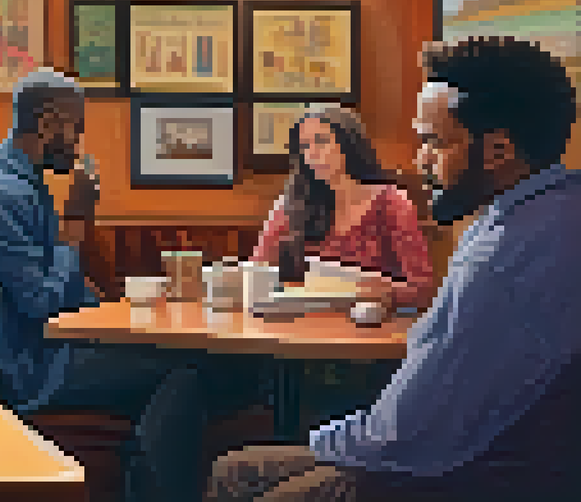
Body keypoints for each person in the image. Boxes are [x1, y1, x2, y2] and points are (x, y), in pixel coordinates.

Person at [209, 36, 581, 502]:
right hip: (498, 457)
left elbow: (404, 432)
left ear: (499, 151)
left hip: (474, 474)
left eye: (432, 142)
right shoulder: (556, 210)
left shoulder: (499, 257)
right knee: (239, 469)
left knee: (243, 478)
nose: (418, 159)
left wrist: (322, 443)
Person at [0, 69, 253, 502]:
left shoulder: (15, 183)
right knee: (184, 374)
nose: (78, 145)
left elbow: (62, 291)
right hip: (32, 367)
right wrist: (74, 226)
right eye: (78, 130)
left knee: (212, 368)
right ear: (49, 123)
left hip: (47, 348)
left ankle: (144, 475)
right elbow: (43, 303)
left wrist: (119, 307)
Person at [253, 106, 436, 311]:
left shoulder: (391, 202)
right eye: (304, 145)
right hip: (308, 320)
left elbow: (423, 290)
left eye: (321, 141)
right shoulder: (292, 204)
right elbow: (258, 270)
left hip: (372, 324)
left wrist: (384, 291)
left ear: (348, 144)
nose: (312, 153)